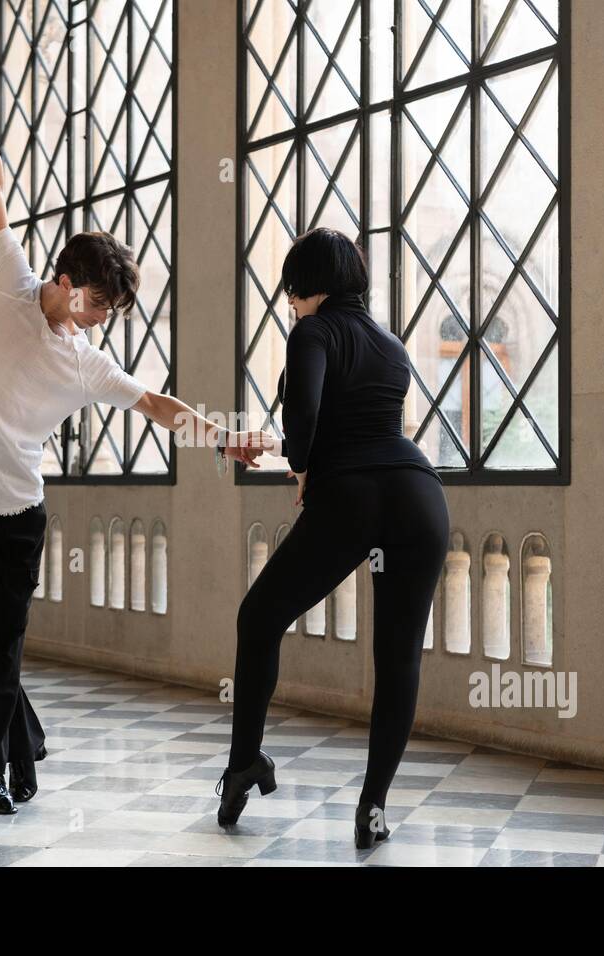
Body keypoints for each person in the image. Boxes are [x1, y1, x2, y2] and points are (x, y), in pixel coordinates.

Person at [0, 74, 263, 814]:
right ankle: (26, 748)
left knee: (1, 642)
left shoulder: (85, 361)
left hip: (14, 510)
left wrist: (223, 438)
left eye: (113, 310)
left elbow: (156, 404)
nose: (104, 319)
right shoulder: (9, 275)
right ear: (69, 282)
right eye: (101, 303)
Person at [215, 227, 451, 848]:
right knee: (398, 659)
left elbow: (306, 421)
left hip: (352, 498)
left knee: (259, 618)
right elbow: (376, 423)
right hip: (420, 497)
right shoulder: (393, 344)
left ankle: (245, 761)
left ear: (310, 287)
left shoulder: (312, 332)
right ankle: (373, 808)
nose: (290, 303)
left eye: (293, 291)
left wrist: (301, 464)